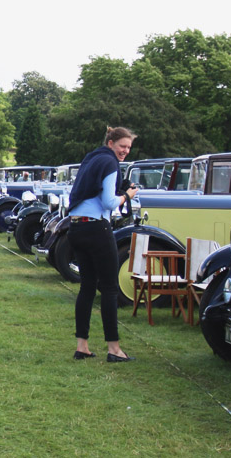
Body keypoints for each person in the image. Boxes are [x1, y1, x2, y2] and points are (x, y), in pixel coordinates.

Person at [67, 126, 140, 363]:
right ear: (111, 143)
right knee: (109, 288)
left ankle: (82, 346)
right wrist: (127, 195)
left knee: (87, 286)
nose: (125, 151)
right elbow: (109, 203)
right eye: (122, 146)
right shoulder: (110, 163)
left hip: (76, 227)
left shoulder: (91, 159)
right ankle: (114, 349)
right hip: (97, 227)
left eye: (128, 148)